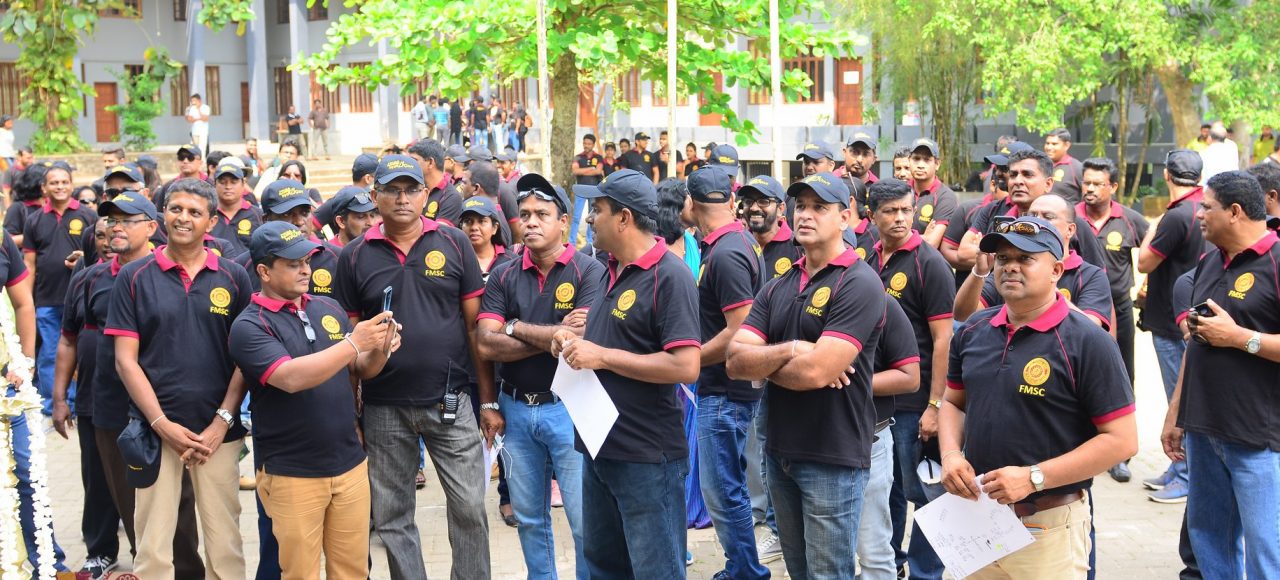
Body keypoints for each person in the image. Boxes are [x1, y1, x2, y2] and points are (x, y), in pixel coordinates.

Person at [940, 215, 1137, 580]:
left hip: (1048, 528)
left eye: (1025, 258)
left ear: (1056, 271)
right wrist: (951, 455)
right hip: (975, 520)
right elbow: (953, 402)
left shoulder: (1088, 341)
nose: (1010, 267)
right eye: (1003, 258)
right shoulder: (973, 331)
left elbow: (1122, 440)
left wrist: (1034, 478)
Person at [335, 154, 497, 579]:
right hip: (384, 407)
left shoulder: (453, 242)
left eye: (411, 190)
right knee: (393, 516)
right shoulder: (353, 257)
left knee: (469, 507)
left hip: (451, 400)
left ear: (426, 194)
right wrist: (353, 414)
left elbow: (475, 330)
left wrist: (486, 400)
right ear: (375, 196)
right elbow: (349, 347)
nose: (402, 198)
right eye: (392, 190)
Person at [726, 172, 886, 579]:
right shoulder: (779, 284)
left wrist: (768, 364)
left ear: (845, 217)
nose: (805, 215)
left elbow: (817, 372)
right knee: (799, 572)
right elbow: (734, 362)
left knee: (828, 574)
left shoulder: (859, 281)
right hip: (780, 452)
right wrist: (793, 349)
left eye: (820, 207)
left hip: (832, 456)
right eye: (801, 206)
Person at [553, 168, 701, 578]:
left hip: (646, 458)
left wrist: (601, 355)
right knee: (604, 567)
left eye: (597, 209)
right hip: (599, 447)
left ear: (624, 218)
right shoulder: (608, 268)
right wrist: (570, 340)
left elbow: (685, 365)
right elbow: (619, 336)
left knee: (656, 570)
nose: (588, 217)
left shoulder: (670, 276)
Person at [230, 221, 398, 579]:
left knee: (353, 571)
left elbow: (359, 368)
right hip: (293, 472)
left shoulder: (328, 307)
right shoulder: (249, 326)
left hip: (349, 464)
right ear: (264, 272)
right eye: (293, 263)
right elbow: (290, 378)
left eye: (307, 261)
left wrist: (381, 350)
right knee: (300, 573)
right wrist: (354, 343)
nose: (306, 269)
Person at [105, 178, 252, 579]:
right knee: (152, 549)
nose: (183, 218)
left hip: (217, 435)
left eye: (194, 212)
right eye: (176, 209)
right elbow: (125, 362)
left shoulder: (234, 277)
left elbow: (245, 359)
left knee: (225, 546)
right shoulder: (134, 277)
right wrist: (161, 424)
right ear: (163, 214)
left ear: (211, 222)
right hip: (153, 433)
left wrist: (221, 422)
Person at [476, 173, 603, 578]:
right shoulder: (504, 274)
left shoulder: (589, 271)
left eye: (541, 214)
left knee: (583, 522)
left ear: (563, 221)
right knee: (530, 518)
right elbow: (485, 343)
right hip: (515, 408)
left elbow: (580, 338)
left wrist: (513, 326)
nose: (530, 221)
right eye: (525, 213)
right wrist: (555, 332)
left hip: (570, 408)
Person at [1156, 170, 1279, 579]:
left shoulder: (1276, 262)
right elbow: (1198, 341)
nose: (1198, 215)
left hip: (1258, 439)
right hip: (1204, 430)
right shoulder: (1209, 263)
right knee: (1209, 540)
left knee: (1267, 550)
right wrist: (1177, 412)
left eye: (1206, 207)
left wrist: (1240, 337)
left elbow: (1228, 336)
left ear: (1235, 211)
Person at [84, 191, 207, 580]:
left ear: (153, 227)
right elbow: (77, 338)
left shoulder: (170, 273)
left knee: (180, 515)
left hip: (167, 411)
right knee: (133, 510)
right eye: (111, 220)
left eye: (126, 220)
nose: (115, 228)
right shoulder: (91, 277)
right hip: (112, 410)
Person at [864, 178, 953, 580]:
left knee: (925, 492)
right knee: (888, 490)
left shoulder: (928, 263)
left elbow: (943, 339)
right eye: (890, 211)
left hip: (915, 400)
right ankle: (893, 563)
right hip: (878, 397)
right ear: (872, 216)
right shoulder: (867, 258)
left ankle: (924, 572)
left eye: (906, 210)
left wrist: (936, 406)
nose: (900, 218)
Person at [685, 165, 769, 580]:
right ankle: (741, 566)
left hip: (725, 390)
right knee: (722, 487)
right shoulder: (727, 243)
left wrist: (693, 360)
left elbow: (740, 330)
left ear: (691, 203)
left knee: (722, 490)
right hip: (723, 387)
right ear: (732, 200)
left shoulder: (728, 252)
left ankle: (747, 571)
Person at [1136, 149, 1206, 504]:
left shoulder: (1177, 216)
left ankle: (1185, 474)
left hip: (1171, 319)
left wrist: (1152, 227)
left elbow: (1144, 262)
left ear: (1166, 175)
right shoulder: (1202, 208)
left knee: (1179, 402)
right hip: (1187, 314)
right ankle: (1178, 468)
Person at [51, 217, 119, 578]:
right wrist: (59, 397)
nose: (106, 242)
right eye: (100, 235)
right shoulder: (83, 278)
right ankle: (100, 550)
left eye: (113, 234)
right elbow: (68, 339)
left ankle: (149, 553)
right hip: (93, 396)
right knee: (96, 477)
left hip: (141, 402)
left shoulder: (144, 276)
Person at [1076, 157, 1149, 480]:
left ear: (1113, 187)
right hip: (1078, 308)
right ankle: (1086, 444)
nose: (1090, 189)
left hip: (1118, 307)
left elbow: (1154, 249)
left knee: (1121, 374)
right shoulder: (1071, 217)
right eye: (1086, 182)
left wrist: (1147, 285)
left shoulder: (1130, 220)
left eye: (1098, 184)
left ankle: (1120, 454)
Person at [957, 194, 1113, 331]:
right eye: (1032, 215)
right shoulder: (1009, 268)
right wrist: (979, 272)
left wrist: (1048, 294)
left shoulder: (1091, 275)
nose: (1038, 221)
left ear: (1070, 230)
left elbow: (1093, 331)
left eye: (1048, 217)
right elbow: (963, 314)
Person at [23, 163, 98, 415]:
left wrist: (84, 259)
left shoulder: (87, 216)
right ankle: (52, 402)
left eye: (64, 182)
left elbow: (100, 256)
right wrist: (28, 299)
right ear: (44, 187)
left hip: (82, 297)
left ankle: (77, 402)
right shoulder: (34, 220)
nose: (60, 186)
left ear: (71, 184)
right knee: (49, 352)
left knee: (81, 349)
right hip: (47, 298)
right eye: (54, 182)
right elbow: (30, 263)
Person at [905, 138, 958, 248]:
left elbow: (932, 243)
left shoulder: (945, 197)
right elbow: (884, 235)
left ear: (937, 164)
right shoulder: (900, 191)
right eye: (916, 158)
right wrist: (923, 237)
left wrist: (898, 237)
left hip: (926, 258)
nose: (920, 165)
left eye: (927, 160)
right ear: (909, 161)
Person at [406, 138, 464, 227]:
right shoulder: (412, 190)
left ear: (430, 162)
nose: (409, 165)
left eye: (414, 160)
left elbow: (439, 232)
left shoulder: (450, 196)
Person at [209, 161, 262, 255]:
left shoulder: (258, 215)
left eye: (233, 182)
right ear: (215, 184)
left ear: (243, 184)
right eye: (222, 182)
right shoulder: (207, 214)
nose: (228, 186)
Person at [458, 195, 513, 281]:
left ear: (494, 228)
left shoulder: (512, 261)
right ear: (461, 227)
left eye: (482, 221)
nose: (474, 227)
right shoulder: (454, 260)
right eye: (468, 221)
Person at [572, 134, 605, 248]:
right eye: (584, 143)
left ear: (593, 144)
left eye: (589, 144)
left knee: (592, 217)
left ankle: (590, 242)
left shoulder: (598, 157)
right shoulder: (577, 157)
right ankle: (572, 243)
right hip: (580, 190)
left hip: (593, 190)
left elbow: (598, 171)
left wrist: (583, 171)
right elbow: (575, 171)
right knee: (576, 217)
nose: (586, 145)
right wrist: (591, 168)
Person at [153, 144, 205, 210]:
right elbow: (160, 212)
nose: (185, 161)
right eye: (181, 157)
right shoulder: (169, 186)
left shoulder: (210, 184)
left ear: (200, 162)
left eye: (190, 158)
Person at [1043, 128, 1084, 204]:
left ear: (1066, 145)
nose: (1049, 147)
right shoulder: (1041, 165)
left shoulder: (1076, 167)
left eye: (1054, 144)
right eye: (1047, 143)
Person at [185, 95, 211, 159]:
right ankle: (196, 159)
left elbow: (205, 118)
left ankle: (202, 160)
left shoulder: (206, 107)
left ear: (199, 100)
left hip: (203, 131)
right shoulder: (192, 108)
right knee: (195, 147)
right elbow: (189, 119)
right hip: (194, 131)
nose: (193, 102)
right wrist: (199, 119)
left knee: (202, 147)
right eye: (192, 101)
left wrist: (199, 110)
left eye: (194, 100)